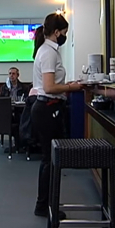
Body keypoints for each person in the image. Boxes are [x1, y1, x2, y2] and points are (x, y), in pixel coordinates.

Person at [31, 13, 83, 218]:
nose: (65, 36)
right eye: (64, 32)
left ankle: (46, 204)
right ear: (56, 32)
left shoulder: (47, 51)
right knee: (49, 159)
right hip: (47, 109)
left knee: (49, 159)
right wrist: (71, 86)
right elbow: (49, 86)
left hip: (46, 108)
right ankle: (44, 205)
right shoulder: (49, 53)